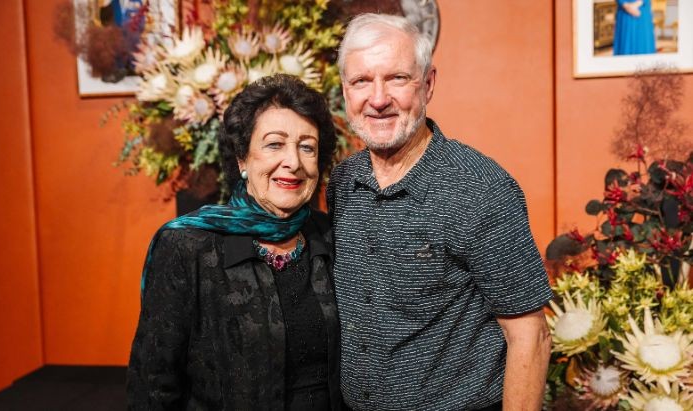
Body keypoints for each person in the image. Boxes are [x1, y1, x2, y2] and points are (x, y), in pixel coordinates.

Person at [327, 14, 553, 411]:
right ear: (345, 91)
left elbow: (530, 335)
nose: (378, 99)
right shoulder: (342, 182)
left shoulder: (480, 188)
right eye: (361, 81)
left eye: (397, 78)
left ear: (428, 83)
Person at [127, 74, 341, 410]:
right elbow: (153, 385)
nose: (293, 162)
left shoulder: (332, 236)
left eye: (307, 147)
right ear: (242, 158)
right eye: (274, 144)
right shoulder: (187, 246)